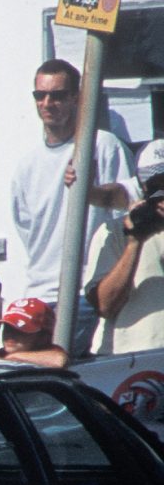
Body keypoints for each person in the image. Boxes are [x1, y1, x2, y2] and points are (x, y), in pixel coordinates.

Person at [8, 57, 134, 323]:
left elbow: (127, 208)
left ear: (76, 98)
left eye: (57, 95)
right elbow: (27, 229)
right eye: (39, 95)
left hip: (86, 292)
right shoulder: (27, 165)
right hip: (39, 294)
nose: (47, 103)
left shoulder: (102, 146)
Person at [88, 143, 164, 355]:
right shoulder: (112, 233)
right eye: (156, 185)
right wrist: (135, 240)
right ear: (142, 187)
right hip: (130, 362)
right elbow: (104, 305)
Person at [0, 297, 68, 368]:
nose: (10, 334)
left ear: (43, 336)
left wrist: (13, 358)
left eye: (19, 330)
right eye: (7, 328)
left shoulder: (53, 351)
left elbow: (59, 360)